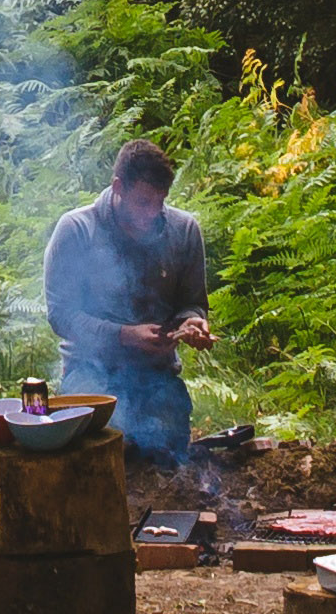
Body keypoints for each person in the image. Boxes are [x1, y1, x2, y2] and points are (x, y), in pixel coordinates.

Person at [42, 142, 216, 465]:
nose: (152, 213)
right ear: (118, 187)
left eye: (159, 203)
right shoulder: (78, 230)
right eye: (143, 202)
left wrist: (192, 323)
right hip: (91, 372)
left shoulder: (183, 231)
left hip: (158, 375)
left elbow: (192, 304)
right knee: (109, 447)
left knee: (168, 454)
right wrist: (125, 335)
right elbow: (61, 316)